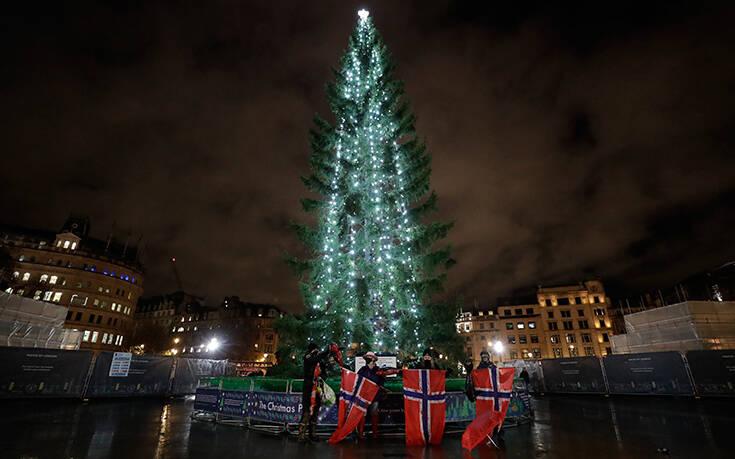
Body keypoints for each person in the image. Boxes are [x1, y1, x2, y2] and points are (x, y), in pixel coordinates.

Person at [298, 342, 341, 442]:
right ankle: (301, 435)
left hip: (317, 388)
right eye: (315, 350)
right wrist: (325, 352)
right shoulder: (307, 357)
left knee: (316, 410)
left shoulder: (319, 361)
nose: (316, 352)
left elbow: (325, 371)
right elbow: (313, 359)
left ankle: (312, 434)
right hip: (309, 388)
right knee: (307, 411)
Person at [356, 352, 400, 439]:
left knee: (374, 413)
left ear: (373, 359)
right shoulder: (362, 369)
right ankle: (360, 433)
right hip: (364, 396)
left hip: (374, 396)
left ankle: (375, 434)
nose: (368, 358)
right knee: (362, 414)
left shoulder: (378, 370)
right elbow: (357, 381)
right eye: (367, 357)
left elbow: (381, 382)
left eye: (370, 357)